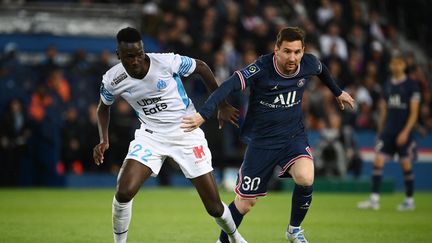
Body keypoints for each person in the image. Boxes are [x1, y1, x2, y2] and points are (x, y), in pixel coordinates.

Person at [182, 27, 355, 243]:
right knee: (245, 204)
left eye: (297, 52)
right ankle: (223, 241)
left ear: (303, 51)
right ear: (276, 50)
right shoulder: (261, 68)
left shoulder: (309, 62)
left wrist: (337, 92)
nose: (292, 57)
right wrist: (203, 114)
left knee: (306, 176)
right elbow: (228, 86)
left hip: (293, 137)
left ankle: (294, 230)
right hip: (262, 142)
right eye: (287, 51)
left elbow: (322, 70)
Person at [92, 27, 247, 243]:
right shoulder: (112, 79)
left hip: (186, 130)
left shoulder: (166, 62)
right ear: (119, 55)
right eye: (130, 56)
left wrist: (221, 103)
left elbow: (201, 67)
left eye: (139, 54)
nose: (136, 60)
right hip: (151, 136)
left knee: (213, 206)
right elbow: (102, 108)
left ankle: (235, 237)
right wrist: (103, 139)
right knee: (124, 191)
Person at [357, 55, 420, 211]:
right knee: (378, 160)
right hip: (388, 131)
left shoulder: (412, 85)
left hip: (403, 131)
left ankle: (409, 200)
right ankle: (374, 199)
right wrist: (380, 130)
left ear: (404, 65)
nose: (395, 66)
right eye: (393, 63)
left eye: (398, 63)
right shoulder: (387, 84)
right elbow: (384, 110)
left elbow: (414, 113)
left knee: (405, 163)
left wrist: (405, 132)